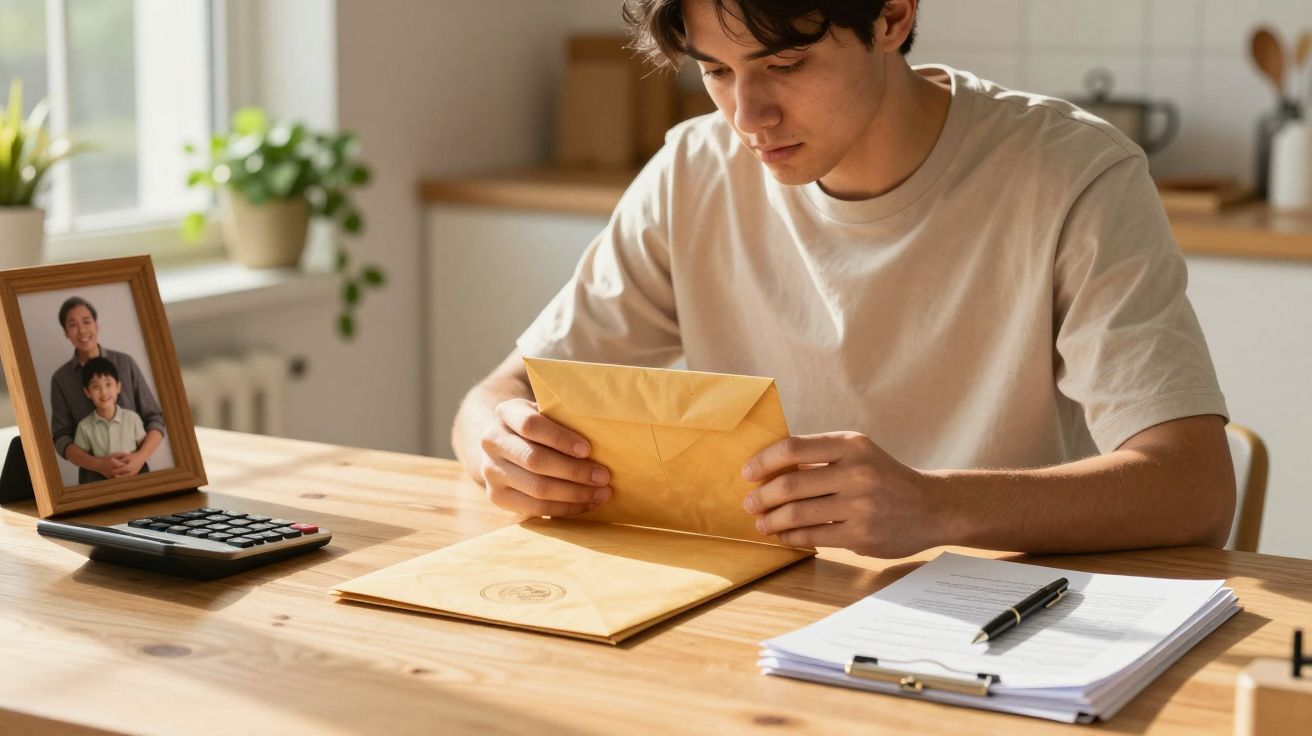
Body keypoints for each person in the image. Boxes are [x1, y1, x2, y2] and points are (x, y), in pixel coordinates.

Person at [451, 0, 1235, 559]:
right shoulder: (693, 170)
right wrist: (496, 439)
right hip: (764, 615)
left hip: (997, 621)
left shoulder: (1072, 174)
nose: (747, 115)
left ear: (892, 17)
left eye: (784, 64)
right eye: (717, 71)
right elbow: (498, 393)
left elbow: (1195, 487)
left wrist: (935, 507)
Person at [50, 296, 165, 483]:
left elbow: (155, 419)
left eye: (87, 321)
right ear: (65, 332)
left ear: (96, 325)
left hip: (138, 476)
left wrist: (139, 458)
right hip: (92, 480)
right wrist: (97, 465)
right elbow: (61, 438)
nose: (82, 330)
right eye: (73, 325)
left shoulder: (125, 363)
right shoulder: (61, 379)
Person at [72, 357, 150, 484]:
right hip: (102, 485)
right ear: (87, 392)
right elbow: (82, 457)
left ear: (118, 387)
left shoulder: (132, 418)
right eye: (96, 386)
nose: (103, 392)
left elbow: (142, 448)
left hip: (135, 481)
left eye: (108, 384)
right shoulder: (84, 426)